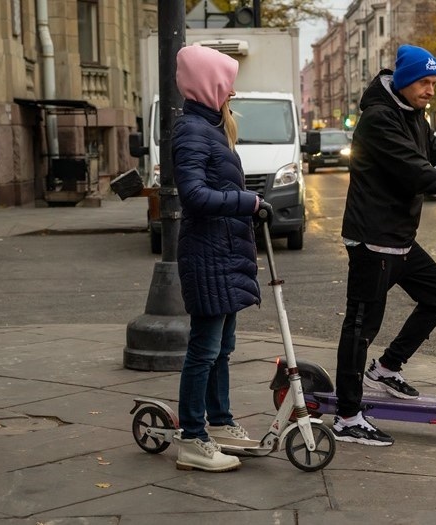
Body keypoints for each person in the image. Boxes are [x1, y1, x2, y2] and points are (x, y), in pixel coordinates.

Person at [332, 44, 436, 446]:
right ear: (405, 81)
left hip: (399, 239)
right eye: (424, 82)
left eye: (434, 83)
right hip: (373, 240)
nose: (430, 90)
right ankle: (348, 416)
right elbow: (416, 170)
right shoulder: (378, 119)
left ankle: (388, 367)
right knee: (360, 326)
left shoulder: (412, 114)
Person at [171, 45, 272, 472]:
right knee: (205, 349)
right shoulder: (192, 130)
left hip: (224, 253)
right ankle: (193, 438)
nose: (232, 91)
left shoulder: (211, 127)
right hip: (208, 254)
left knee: (222, 348)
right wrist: (246, 201)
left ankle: (221, 422)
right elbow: (192, 195)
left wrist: (244, 206)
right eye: (227, 82)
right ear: (209, 84)